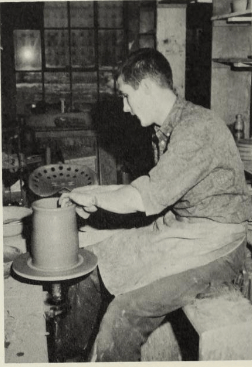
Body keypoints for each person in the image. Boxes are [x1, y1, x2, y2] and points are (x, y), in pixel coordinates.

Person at [59, 48, 252, 362]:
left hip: (218, 247)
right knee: (89, 266)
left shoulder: (196, 128)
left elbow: (143, 195)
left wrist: (96, 198)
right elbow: (150, 185)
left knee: (121, 316)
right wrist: (92, 191)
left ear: (146, 88)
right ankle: (69, 357)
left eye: (126, 96)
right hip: (184, 231)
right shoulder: (165, 129)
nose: (124, 107)